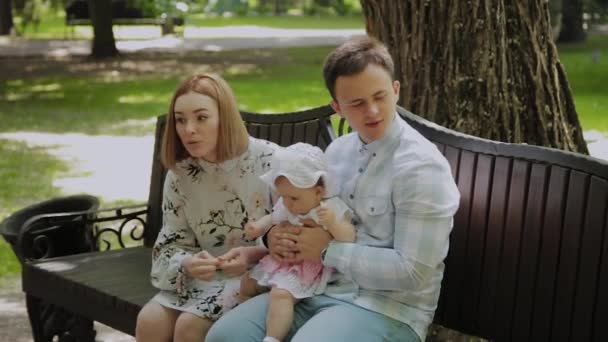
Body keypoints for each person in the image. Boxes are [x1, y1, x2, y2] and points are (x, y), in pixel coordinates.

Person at [206, 37, 460, 342]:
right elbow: (299, 212)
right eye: (357, 103)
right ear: (337, 107)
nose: (373, 111)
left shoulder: (421, 168)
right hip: (314, 289)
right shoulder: (335, 154)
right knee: (225, 336)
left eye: (380, 96)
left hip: (387, 309)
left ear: (396, 90)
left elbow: (413, 272)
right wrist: (274, 238)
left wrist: (328, 251)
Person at [135, 73, 278, 342]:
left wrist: (252, 256)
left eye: (201, 117)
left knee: (190, 326)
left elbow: (294, 242)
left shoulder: (272, 162)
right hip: (201, 281)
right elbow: (169, 245)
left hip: (257, 279)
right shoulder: (181, 173)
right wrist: (187, 263)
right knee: (150, 321)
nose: (188, 129)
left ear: (224, 117)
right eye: (180, 119)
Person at [240, 142, 355, 342]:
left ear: (318, 192)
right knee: (247, 283)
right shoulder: (288, 204)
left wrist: (333, 224)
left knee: (281, 295)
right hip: (280, 261)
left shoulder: (328, 209)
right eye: (282, 196)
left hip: (304, 268)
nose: (287, 203)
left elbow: (349, 236)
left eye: (293, 198)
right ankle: (244, 310)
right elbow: (273, 218)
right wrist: (258, 227)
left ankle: (273, 337)